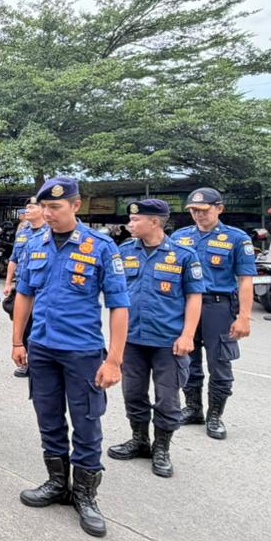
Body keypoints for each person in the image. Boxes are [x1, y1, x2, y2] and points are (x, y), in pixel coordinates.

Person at [12, 176, 129, 538]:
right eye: (44, 207)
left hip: (82, 352)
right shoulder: (35, 244)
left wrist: (114, 361)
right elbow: (24, 295)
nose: (47, 214)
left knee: (87, 423)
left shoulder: (101, 246)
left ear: (76, 206)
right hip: (43, 349)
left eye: (56, 208)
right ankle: (57, 482)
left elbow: (119, 305)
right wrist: (18, 341)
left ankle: (85, 494)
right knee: (48, 418)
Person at [107, 200, 204, 479]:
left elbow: (194, 297)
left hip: (167, 340)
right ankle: (139, 440)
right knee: (133, 393)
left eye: (136, 220)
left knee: (167, 399)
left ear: (155, 222)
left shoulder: (183, 255)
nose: (130, 224)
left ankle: (162, 448)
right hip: (132, 339)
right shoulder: (124, 251)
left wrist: (187, 335)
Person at [171, 187, 256, 441]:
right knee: (188, 359)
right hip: (186, 307)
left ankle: (215, 415)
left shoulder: (237, 239)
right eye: (194, 211)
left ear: (219, 209)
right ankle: (193, 408)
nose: (198, 215)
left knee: (219, 363)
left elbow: (245, 280)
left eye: (204, 210)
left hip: (218, 306)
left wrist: (244, 316)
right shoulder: (180, 237)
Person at [4, 196, 46, 378]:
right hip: (23, 286)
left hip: (41, 289)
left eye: (31, 207)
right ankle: (26, 361)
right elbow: (14, 259)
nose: (26, 211)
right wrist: (8, 282)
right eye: (26, 208)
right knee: (24, 325)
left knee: (40, 325)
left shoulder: (50, 232)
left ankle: (40, 362)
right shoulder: (23, 233)